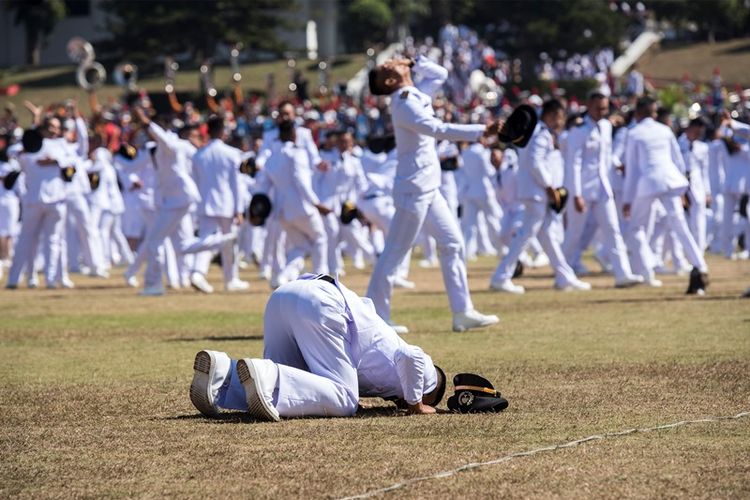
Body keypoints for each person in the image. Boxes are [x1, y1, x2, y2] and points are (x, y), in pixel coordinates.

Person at [189, 274, 444, 421]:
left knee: (276, 381)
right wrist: (418, 403)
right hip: (321, 304)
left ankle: (223, 373)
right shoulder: (427, 379)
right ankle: (266, 376)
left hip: (285, 296)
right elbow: (412, 356)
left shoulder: (385, 387)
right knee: (344, 401)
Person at [365, 56, 500, 333]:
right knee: (395, 253)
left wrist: (414, 61)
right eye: (390, 66)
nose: (393, 60)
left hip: (428, 185)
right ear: (391, 81)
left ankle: (462, 312)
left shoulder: (414, 93)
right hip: (413, 188)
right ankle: (377, 317)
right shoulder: (403, 102)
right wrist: (481, 131)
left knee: (452, 243)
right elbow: (435, 129)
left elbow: (439, 74)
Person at [129, 107, 237, 296]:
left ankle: (153, 284)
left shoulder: (171, 143)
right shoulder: (168, 144)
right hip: (176, 199)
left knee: (155, 240)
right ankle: (222, 241)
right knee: (182, 245)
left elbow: (161, 137)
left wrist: (146, 122)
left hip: (177, 200)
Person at [490, 99, 591, 294]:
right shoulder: (542, 134)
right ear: (553, 115)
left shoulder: (535, 132)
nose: (561, 121)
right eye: (560, 117)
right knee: (525, 236)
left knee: (547, 237)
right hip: (537, 191)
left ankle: (564, 277)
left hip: (533, 191)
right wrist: (549, 186)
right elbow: (536, 163)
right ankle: (501, 276)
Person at [622, 97, 709, 293]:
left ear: (637, 113)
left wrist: (627, 199)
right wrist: (683, 189)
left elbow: (633, 170)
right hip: (670, 181)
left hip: (648, 183)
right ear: (653, 113)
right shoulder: (664, 130)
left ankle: (647, 272)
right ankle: (700, 265)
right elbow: (678, 161)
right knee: (680, 225)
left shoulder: (634, 133)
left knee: (636, 228)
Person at [563, 93, 642, 288]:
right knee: (574, 233)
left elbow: (605, 159)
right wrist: (577, 194)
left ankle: (622, 274)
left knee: (613, 230)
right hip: (583, 190)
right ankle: (562, 273)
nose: (602, 112)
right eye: (598, 108)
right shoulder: (578, 131)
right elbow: (574, 164)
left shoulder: (606, 127)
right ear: (589, 106)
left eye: (605, 109)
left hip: (603, 189)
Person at [254, 120, 330, 287]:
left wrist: (257, 207)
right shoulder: (297, 153)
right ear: (291, 134)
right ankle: (322, 278)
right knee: (320, 238)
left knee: (300, 245)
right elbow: (301, 181)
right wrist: (316, 203)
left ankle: (283, 276)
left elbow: (264, 185)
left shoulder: (272, 157)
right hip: (301, 207)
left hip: (281, 210)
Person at [190, 115, 249, 293]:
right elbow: (236, 184)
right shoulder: (232, 154)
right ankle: (230, 278)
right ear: (223, 131)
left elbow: (196, 181)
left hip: (206, 203)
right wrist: (239, 209)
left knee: (206, 240)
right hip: (226, 204)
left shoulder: (199, 155)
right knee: (229, 241)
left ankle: (198, 273)